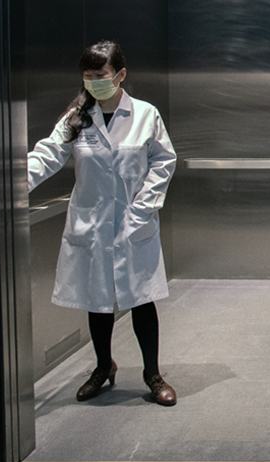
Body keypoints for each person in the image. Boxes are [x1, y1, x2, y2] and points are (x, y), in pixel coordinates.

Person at [28, 41, 179, 406]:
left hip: (133, 223)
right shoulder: (76, 117)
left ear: (121, 75)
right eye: (88, 76)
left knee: (142, 300)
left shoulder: (145, 114)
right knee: (97, 302)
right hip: (92, 224)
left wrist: (143, 208)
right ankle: (102, 367)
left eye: (101, 76)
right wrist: (12, 185)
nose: (94, 82)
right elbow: (47, 154)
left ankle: (152, 374)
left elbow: (164, 161)